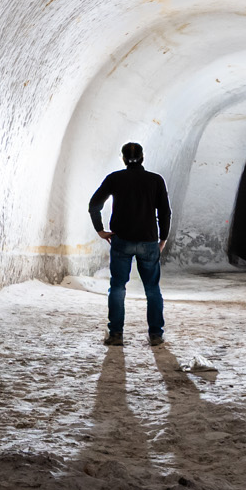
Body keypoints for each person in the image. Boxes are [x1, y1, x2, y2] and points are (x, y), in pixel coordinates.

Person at [89, 142, 172, 347]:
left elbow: (94, 205)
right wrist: (163, 239)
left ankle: (116, 334)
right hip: (148, 240)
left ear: (123, 158)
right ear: (143, 157)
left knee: (118, 287)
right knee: (152, 289)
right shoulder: (155, 180)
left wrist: (100, 230)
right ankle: (156, 335)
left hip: (122, 240)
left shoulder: (115, 178)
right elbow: (164, 212)